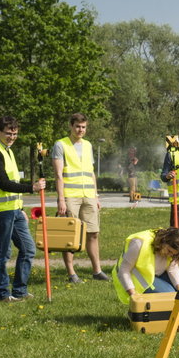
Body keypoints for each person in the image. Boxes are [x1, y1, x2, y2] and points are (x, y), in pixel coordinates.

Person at [0, 116, 46, 302]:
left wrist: (21, 207)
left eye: (15, 133)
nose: (12, 136)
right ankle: (2, 293)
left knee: (28, 249)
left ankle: (20, 290)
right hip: (0, 209)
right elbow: (3, 183)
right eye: (8, 133)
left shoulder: (7, 150)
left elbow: (12, 182)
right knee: (2, 252)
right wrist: (32, 188)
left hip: (14, 209)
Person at [53, 113, 109, 283]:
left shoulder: (88, 145)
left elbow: (91, 172)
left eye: (83, 127)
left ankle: (97, 270)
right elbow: (58, 174)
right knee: (70, 235)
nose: (80, 130)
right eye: (77, 126)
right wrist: (61, 199)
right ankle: (71, 273)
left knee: (93, 233)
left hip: (89, 196)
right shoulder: (60, 144)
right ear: (71, 126)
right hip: (71, 196)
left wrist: (96, 195)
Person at [114, 227, 179, 304]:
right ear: (164, 241)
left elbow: (172, 268)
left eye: (173, 254)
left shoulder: (171, 248)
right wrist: (133, 294)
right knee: (169, 293)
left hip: (156, 274)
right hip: (138, 278)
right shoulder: (139, 243)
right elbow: (124, 269)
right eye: (169, 251)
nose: (170, 255)